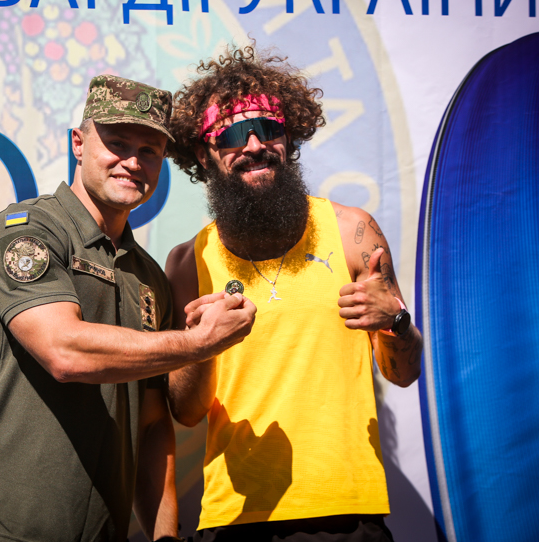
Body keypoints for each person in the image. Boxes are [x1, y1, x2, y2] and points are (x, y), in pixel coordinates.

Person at [0, 75, 257, 542]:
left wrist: (164, 536)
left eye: (149, 151)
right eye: (117, 144)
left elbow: (151, 424)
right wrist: (198, 342)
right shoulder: (28, 231)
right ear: (78, 144)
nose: (133, 162)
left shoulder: (150, 277)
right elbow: (65, 352)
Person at [164, 46, 423, 541]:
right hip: (236, 518)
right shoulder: (186, 263)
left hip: (346, 512)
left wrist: (395, 322)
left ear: (290, 138)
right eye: (233, 134)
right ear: (204, 153)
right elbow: (187, 411)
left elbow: (404, 373)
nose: (255, 144)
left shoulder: (352, 232)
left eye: (270, 128)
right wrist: (200, 345)